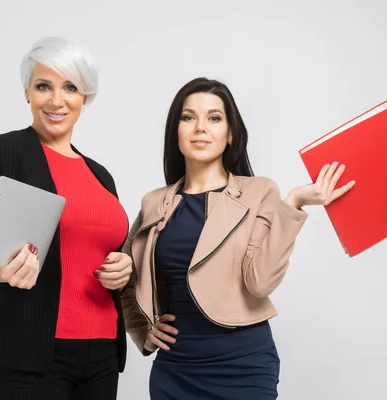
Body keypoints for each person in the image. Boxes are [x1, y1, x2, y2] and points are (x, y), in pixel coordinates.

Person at [122, 77, 355, 399]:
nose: (200, 127)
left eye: (214, 118)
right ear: (175, 131)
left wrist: (293, 205)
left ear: (231, 134)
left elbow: (259, 283)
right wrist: (142, 330)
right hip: (175, 369)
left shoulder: (259, 191)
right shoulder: (154, 202)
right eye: (189, 117)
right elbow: (126, 276)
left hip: (242, 366)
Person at [0, 36, 132, 399]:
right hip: (31, 352)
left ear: (85, 97)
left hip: (103, 350)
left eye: (71, 88)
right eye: (43, 86)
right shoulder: (3, 151)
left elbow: (99, 249)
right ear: (27, 92)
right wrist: (3, 271)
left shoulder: (101, 175)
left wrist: (124, 267)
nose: (56, 100)